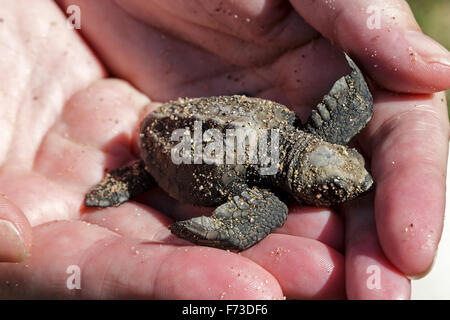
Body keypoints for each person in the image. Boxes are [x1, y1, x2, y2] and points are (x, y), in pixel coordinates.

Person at [0, 0, 448, 299]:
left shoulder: (298, 130)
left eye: (347, 172)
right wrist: (201, 230)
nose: (360, 181)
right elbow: (354, 99)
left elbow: (354, 98)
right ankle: (138, 176)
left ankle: (138, 176)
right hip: (164, 155)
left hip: (181, 122)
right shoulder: (270, 202)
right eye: (335, 188)